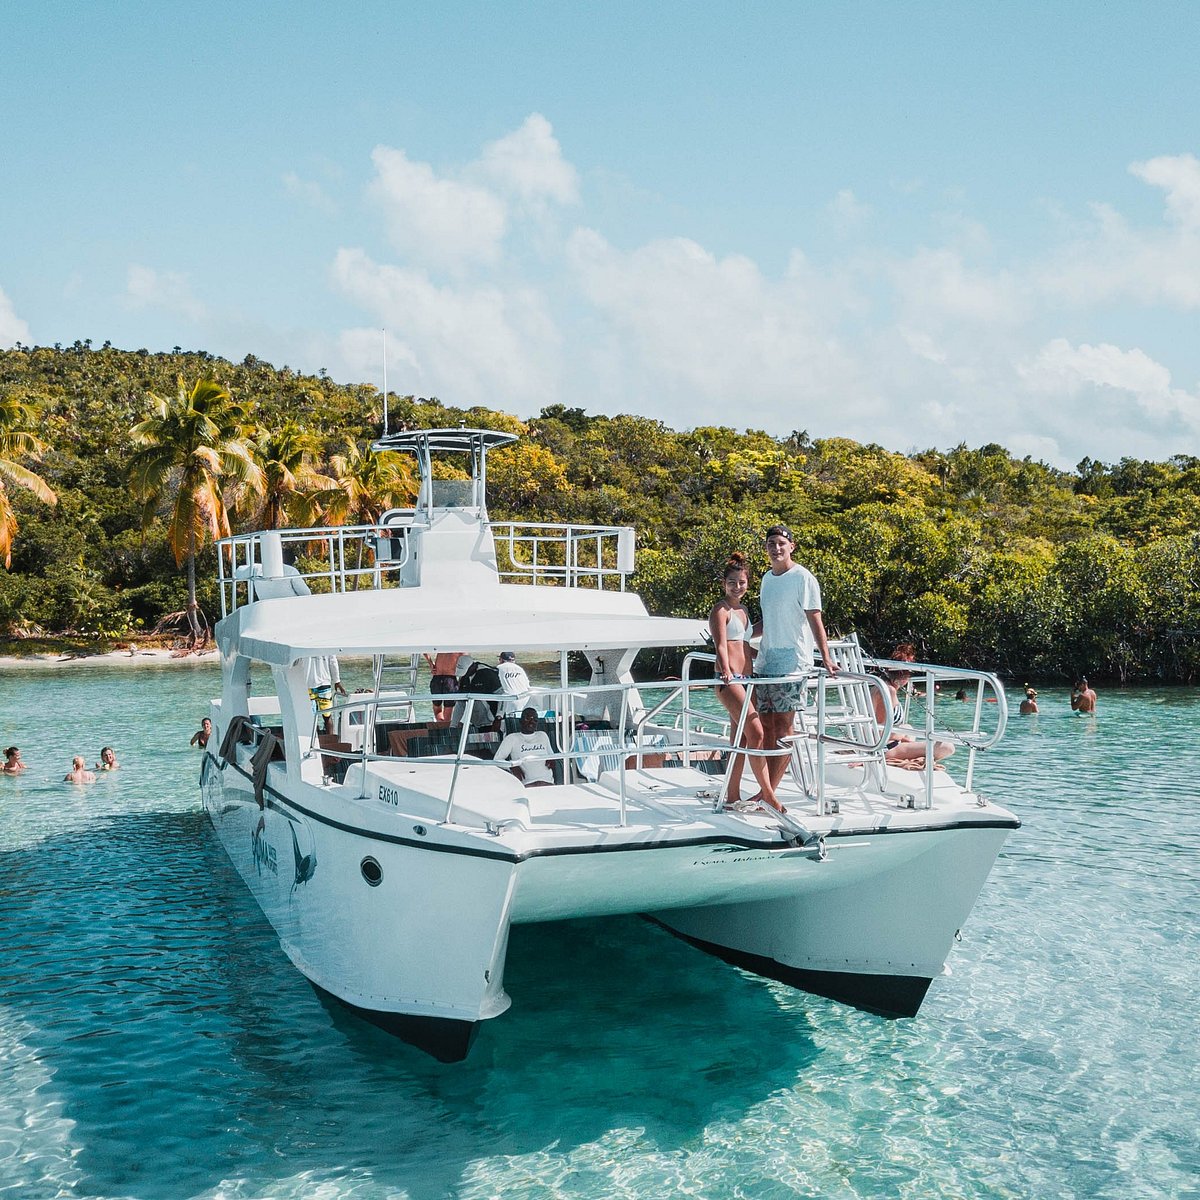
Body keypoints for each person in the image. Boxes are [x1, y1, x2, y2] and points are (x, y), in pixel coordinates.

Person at [751, 525, 838, 795]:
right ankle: (766, 790)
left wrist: (826, 658)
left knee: (784, 729)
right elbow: (768, 619)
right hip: (766, 662)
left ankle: (769, 794)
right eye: (770, 544)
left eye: (780, 543)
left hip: (792, 664)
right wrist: (738, 634)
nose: (776, 548)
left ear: (792, 546)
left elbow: (815, 619)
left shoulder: (803, 578)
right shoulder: (767, 579)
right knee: (765, 728)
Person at [708, 552, 778, 811]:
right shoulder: (721, 609)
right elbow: (721, 645)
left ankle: (731, 795)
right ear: (724, 584)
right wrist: (726, 671)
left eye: (742, 582)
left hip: (747, 679)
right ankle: (768, 794)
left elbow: (746, 643)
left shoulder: (744, 610)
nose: (737, 587)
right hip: (729, 680)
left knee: (741, 741)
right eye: (732, 582)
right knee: (757, 732)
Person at [872, 667, 955, 767]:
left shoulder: (880, 686)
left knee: (908, 727)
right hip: (885, 748)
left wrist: (904, 733)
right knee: (947, 747)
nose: (906, 679)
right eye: (907, 675)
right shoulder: (888, 690)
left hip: (888, 743)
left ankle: (913, 749)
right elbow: (880, 733)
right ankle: (912, 751)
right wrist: (902, 736)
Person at [493, 707, 554, 786]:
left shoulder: (542, 735)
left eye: (535, 719)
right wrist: (511, 766)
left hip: (547, 783)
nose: (531, 722)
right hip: (527, 785)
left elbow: (552, 756)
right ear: (520, 721)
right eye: (527, 719)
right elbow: (497, 760)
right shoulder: (511, 738)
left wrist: (552, 760)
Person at [306, 655, 347, 734]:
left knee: (312, 717)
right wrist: (337, 681)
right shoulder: (326, 644)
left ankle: (314, 740)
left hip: (308, 684)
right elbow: (333, 662)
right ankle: (331, 739)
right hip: (324, 683)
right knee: (327, 716)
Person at [424, 651, 461, 726]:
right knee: (448, 714)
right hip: (450, 679)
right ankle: (444, 729)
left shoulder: (442, 645)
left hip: (437, 678)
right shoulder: (460, 648)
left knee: (437, 708)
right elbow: (466, 664)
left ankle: (440, 725)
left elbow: (424, 650)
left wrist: (431, 663)